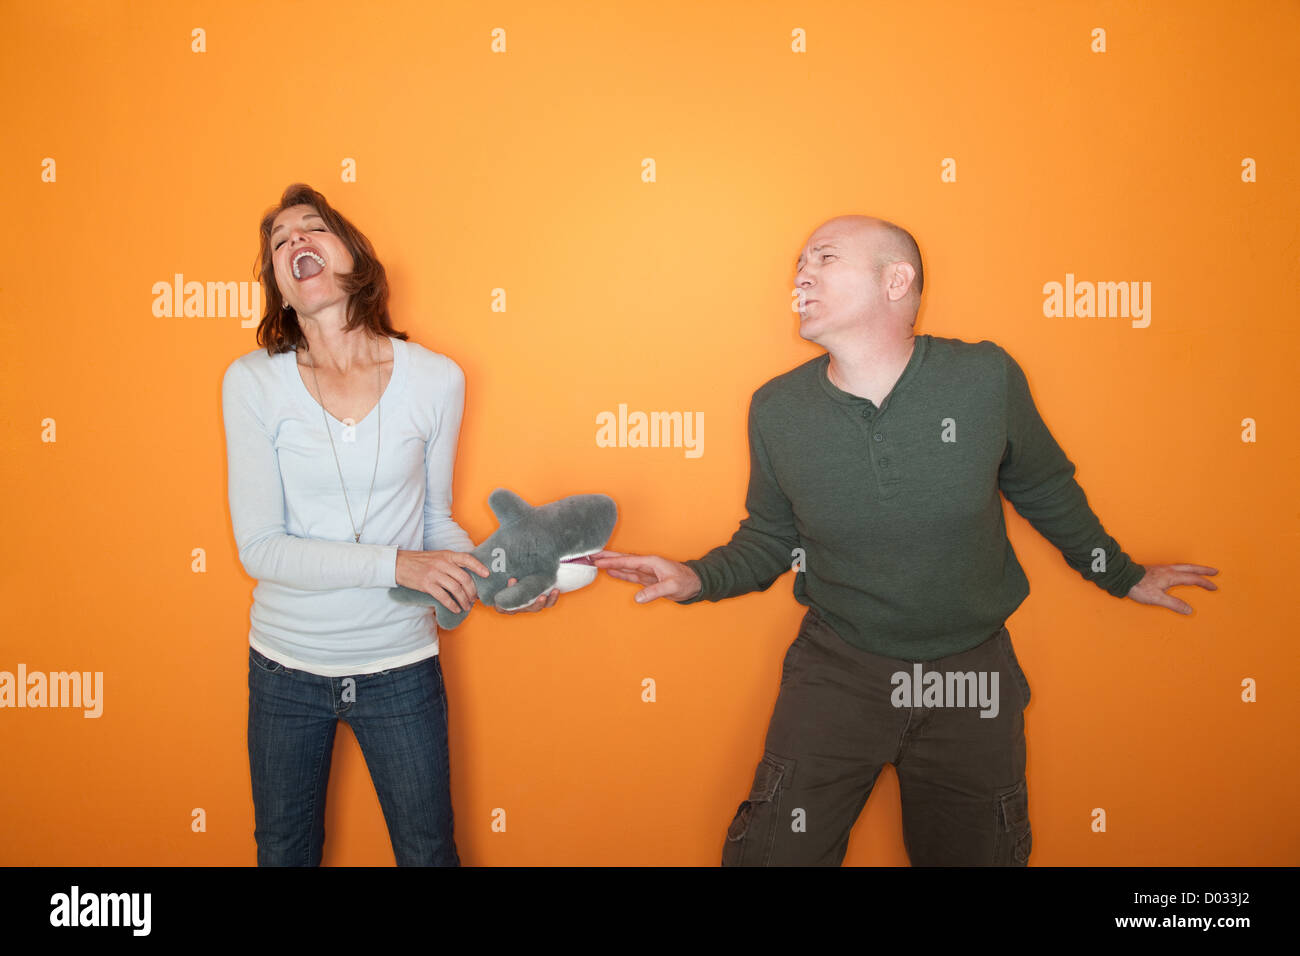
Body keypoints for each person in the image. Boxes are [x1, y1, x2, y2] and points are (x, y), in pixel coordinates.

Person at [594, 214, 1218, 866]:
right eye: (798, 264)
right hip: (839, 670)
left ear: (897, 280)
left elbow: (1045, 489)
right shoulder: (777, 409)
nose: (799, 276)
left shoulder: (984, 378)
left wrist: (1122, 574)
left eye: (824, 259)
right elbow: (773, 536)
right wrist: (697, 577)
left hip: (969, 676)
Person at [221, 183, 558, 866]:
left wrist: (499, 579)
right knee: (284, 852)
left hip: (399, 665)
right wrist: (396, 565)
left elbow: (433, 520)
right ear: (281, 289)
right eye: (279, 243)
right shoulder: (252, 381)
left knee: (429, 851)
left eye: (311, 229)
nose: (294, 243)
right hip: (286, 667)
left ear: (355, 260)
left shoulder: (436, 379)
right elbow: (261, 548)